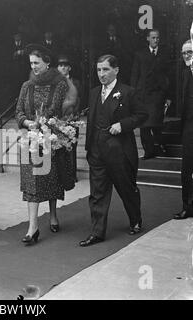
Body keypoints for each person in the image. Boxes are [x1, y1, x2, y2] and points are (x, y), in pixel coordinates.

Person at [79, 55, 148, 247]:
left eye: (106, 69)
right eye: (99, 70)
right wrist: (90, 147)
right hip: (97, 150)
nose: (101, 74)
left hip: (119, 150)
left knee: (126, 188)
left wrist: (123, 124)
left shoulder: (128, 92)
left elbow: (142, 115)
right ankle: (97, 232)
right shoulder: (93, 93)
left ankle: (135, 219)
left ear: (116, 70)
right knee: (97, 193)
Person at [15, 44, 71, 245]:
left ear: (47, 62)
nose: (33, 67)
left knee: (50, 179)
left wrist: (42, 122)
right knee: (32, 182)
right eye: (31, 63)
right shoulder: (26, 86)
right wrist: (27, 122)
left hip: (50, 139)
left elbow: (55, 108)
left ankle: (53, 214)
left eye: (37, 63)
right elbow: (19, 110)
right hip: (29, 140)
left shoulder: (59, 84)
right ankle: (33, 227)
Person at [131, 29, 171, 159]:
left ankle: (160, 147)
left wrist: (168, 96)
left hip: (158, 94)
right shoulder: (140, 54)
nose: (155, 40)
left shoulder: (164, 54)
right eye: (153, 38)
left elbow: (168, 75)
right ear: (148, 38)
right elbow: (135, 75)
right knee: (144, 125)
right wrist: (133, 93)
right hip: (143, 94)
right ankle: (149, 151)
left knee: (156, 123)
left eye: (157, 38)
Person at [174, 40, 193, 220]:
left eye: (190, 52)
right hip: (189, 126)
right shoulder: (185, 73)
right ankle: (187, 207)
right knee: (186, 168)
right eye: (184, 53)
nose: (186, 56)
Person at [57, 55, 81, 181]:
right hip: (59, 120)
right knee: (60, 147)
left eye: (65, 66)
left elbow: (78, 99)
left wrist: (74, 114)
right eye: (60, 66)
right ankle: (63, 174)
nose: (63, 68)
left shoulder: (75, 82)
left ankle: (72, 174)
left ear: (69, 68)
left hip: (72, 118)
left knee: (72, 147)